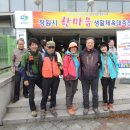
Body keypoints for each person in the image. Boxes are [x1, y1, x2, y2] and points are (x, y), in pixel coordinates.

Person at [21, 38, 42, 117]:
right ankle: (33, 109)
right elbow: (22, 68)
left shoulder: (39, 54)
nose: (34, 46)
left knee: (46, 88)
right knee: (31, 95)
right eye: (32, 45)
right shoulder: (26, 55)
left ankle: (44, 103)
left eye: (35, 44)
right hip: (30, 78)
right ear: (29, 46)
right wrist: (25, 79)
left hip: (39, 77)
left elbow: (42, 66)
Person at [80, 37, 101, 115]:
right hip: (84, 77)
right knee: (85, 93)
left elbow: (100, 63)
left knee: (95, 93)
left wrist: (96, 68)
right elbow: (80, 65)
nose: (90, 44)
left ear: (93, 44)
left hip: (95, 77)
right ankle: (86, 107)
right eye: (88, 42)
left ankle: (95, 107)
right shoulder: (82, 53)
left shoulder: (97, 52)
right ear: (86, 43)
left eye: (91, 42)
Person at [40, 41, 62, 117]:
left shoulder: (57, 55)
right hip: (46, 78)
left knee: (53, 94)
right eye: (49, 47)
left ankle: (52, 107)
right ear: (46, 47)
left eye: (53, 47)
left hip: (55, 78)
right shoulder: (42, 56)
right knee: (45, 94)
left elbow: (60, 65)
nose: (51, 49)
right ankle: (43, 108)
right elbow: (40, 67)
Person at [99, 43, 118, 112]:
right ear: (100, 49)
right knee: (104, 90)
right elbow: (98, 65)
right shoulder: (100, 56)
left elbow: (116, 64)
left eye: (104, 47)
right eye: (101, 47)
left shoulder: (111, 55)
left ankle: (110, 103)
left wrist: (116, 73)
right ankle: (105, 103)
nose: (103, 48)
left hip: (112, 76)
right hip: (103, 76)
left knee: (111, 90)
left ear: (107, 47)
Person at [63, 42, 80, 116]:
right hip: (69, 78)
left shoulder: (77, 56)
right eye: (72, 47)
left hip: (75, 77)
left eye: (75, 47)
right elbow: (65, 68)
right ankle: (68, 107)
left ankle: (70, 103)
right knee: (69, 93)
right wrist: (66, 78)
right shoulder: (67, 56)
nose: (73, 49)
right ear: (69, 48)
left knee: (73, 91)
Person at [11, 38, 28, 103]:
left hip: (24, 69)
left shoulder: (26, 51)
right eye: (20, 44)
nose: (21, 45)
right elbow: (12, 60)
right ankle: (16, 97)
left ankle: (25, 93)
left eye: (22, 44)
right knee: (17, 83)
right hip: (17, 69)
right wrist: (12, 67)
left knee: (25, 82)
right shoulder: (14, 51)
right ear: (17, 44)